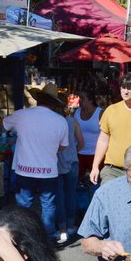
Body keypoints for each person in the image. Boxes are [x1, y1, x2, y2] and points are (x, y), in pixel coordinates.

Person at [3, 83, 69, 240]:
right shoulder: (61, 121)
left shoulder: (21, 115)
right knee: (48, 205)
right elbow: (63, 147)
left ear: (38, 99)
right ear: (54, 104)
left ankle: (21, 235)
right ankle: (47, 237)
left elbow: (4, 124)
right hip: (48, 170)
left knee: (23, 205)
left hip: (24, 169)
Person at [55, 102, 84, 242]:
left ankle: (62, 228)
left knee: (59, 196)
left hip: (55, 163)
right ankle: (71, 225)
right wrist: (72, 152)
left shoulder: (51, 121)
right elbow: (81, 143)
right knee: (71, 194)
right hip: (72, 162)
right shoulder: (72, 121)